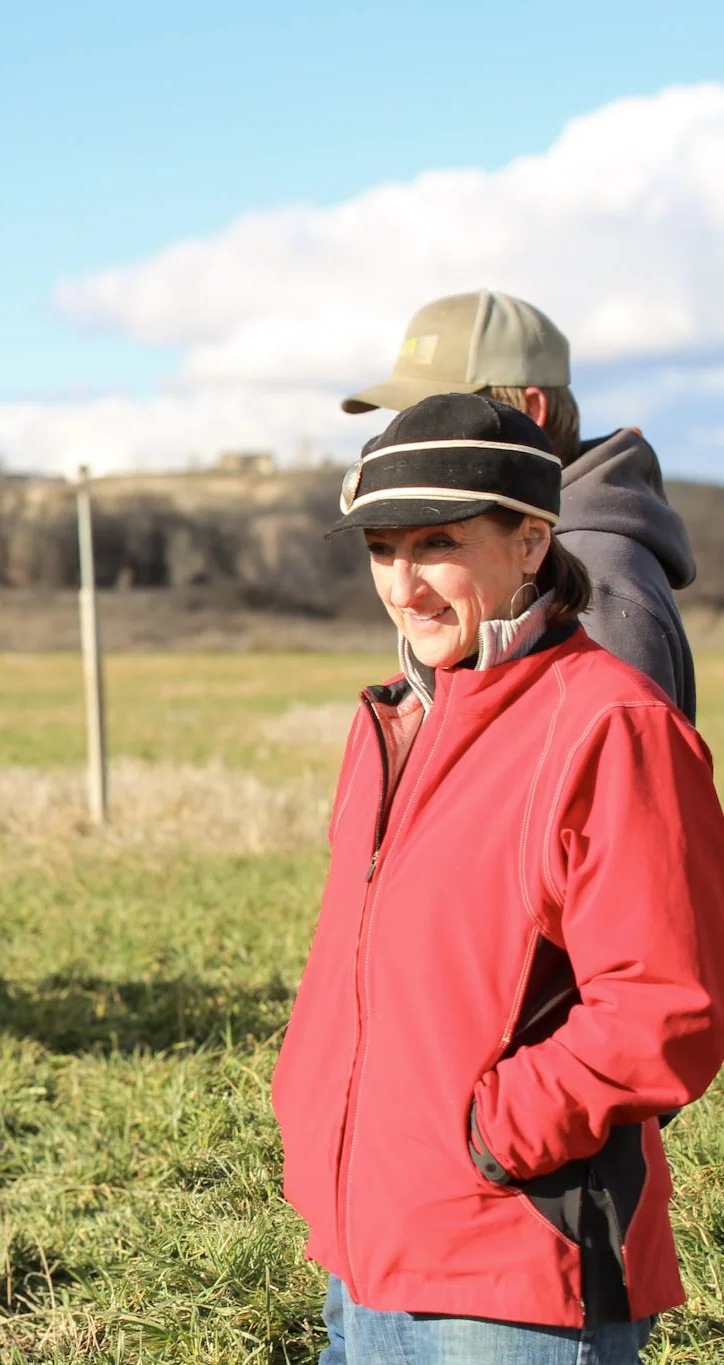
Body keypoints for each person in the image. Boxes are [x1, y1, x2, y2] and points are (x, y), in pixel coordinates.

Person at [272, 392, 724, 1364]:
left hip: (513, 1270)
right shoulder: (394, 723)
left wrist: (486, 1135)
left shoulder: (608, 725)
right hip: (363, 1244)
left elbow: (662, 1011)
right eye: (380, 550)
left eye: (436, 543)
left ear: (528, 543)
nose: (404, 586)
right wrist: (307, 1106)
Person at [342, 289, 697, 718]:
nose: (410, 443)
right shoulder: (554, 551)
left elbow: (622, 759)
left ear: (532, 410)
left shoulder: (595, 573)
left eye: (445, 416)